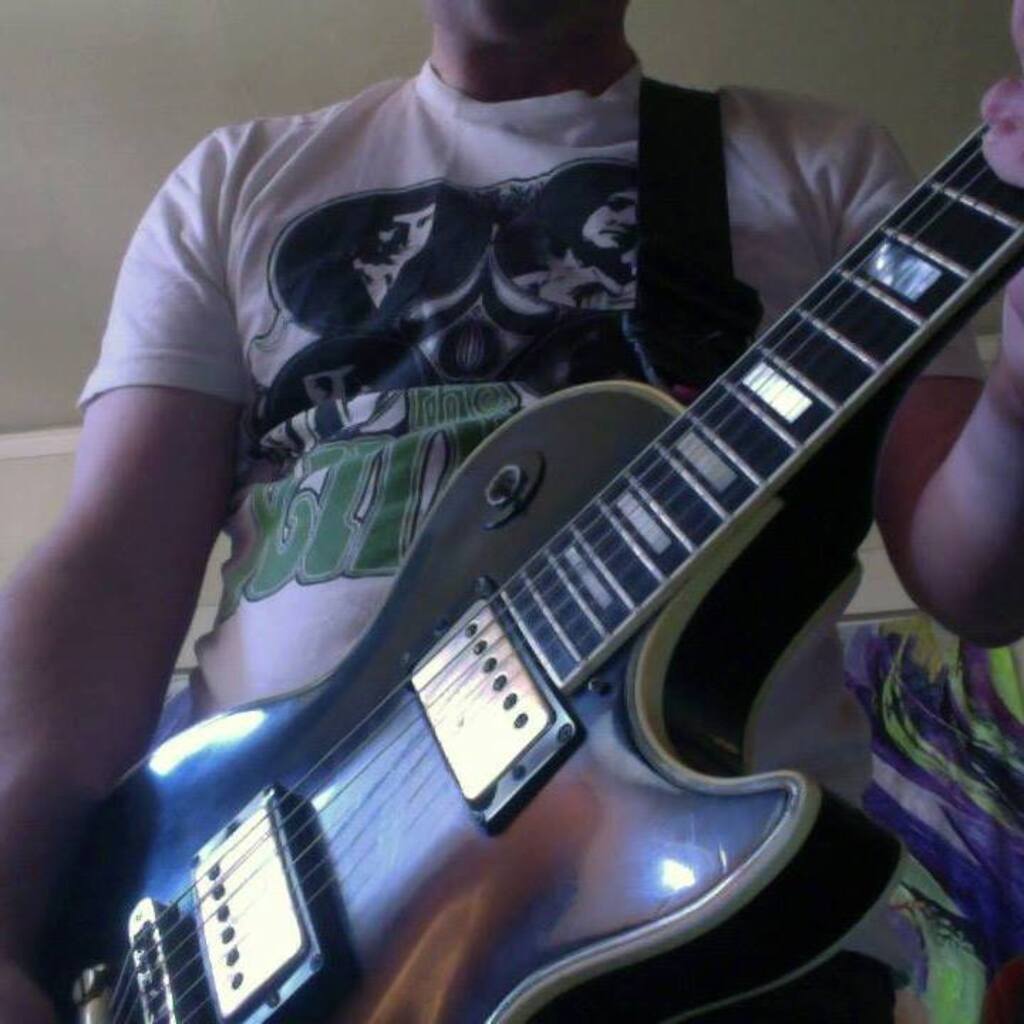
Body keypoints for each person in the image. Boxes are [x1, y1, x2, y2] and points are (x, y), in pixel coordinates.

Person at [3, 0, 1024, 1019]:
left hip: (705, 942)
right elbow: (108, 578)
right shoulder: (235, 180)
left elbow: (975, 581)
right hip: (219, 899)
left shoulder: (817, 162)